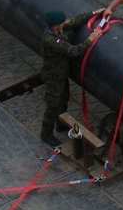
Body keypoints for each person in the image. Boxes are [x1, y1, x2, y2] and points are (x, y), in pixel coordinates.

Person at [39, 10, 102, 147]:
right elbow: (73, 51)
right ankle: (46, 134)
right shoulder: (51, 40)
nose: (65, 22)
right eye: (62, 22)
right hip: (53, 76)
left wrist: (94, 13)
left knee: (64, 98)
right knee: (53, 104)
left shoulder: (57, 29)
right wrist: (91, 39)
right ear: (56, 25)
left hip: (61, 73)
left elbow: (74, 21)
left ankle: (61, 123)